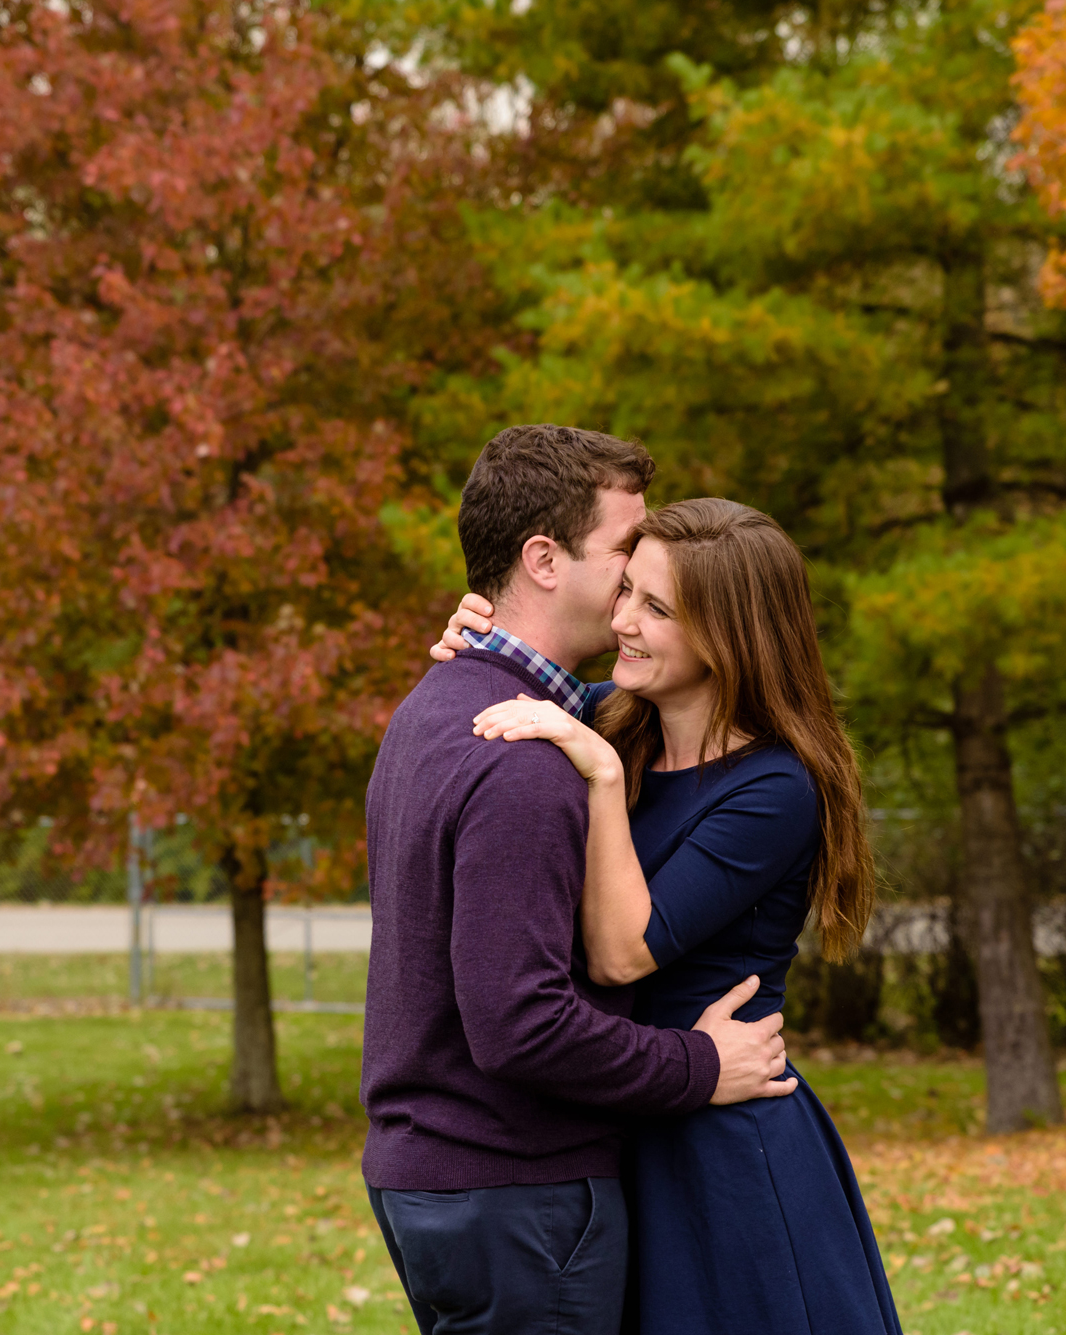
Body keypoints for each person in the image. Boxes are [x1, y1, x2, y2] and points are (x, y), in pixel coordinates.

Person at [362, 426, 801, 1335]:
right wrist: (697, 1061)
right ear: (543, 558)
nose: (635, 589)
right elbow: (522, 1023)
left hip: (458, 1173)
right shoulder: (527, 752)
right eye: (624, 557)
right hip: (516, 1184)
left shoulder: (442, 707)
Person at [435, 496, 902, 1335]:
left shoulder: (773, 789)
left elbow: (620, 953)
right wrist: (475, 648)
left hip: (727, 1144)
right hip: (635, 1112)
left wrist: (603, 778)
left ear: (731, 637)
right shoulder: (611, 718)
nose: (624, 621)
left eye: (657, 608)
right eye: (626, 593)